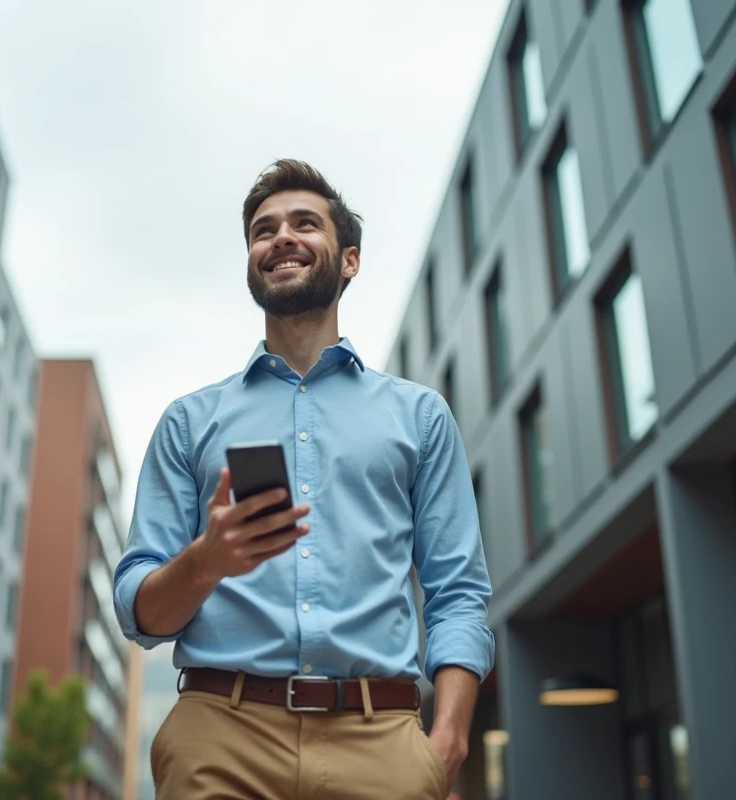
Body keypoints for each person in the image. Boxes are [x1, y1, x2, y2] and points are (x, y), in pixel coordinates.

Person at [114, 159, 494, 799]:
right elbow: (138, 613)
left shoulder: (419, 416)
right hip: (220, 737)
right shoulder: (190, 422)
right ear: (251, 264)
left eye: (303, 224)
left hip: (381, 740)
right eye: (263, 231)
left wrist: (449, 735)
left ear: (349, 260)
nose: (280, 237)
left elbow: (457, 589)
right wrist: (206, 561)